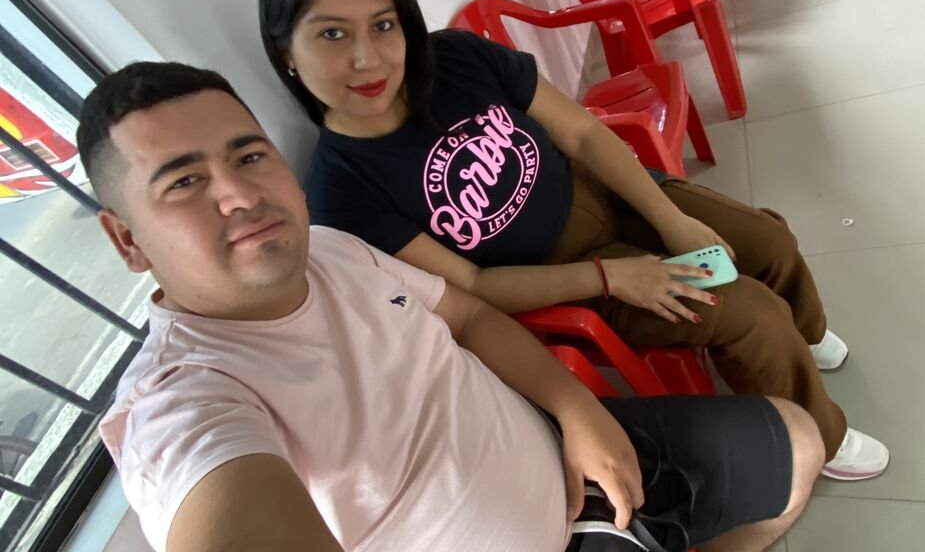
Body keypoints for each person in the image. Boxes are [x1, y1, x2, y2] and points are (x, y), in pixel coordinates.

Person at [83, 62, 822, 552]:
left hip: (569, 455)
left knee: (799, 445)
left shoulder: (332, 247)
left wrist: (577, 410)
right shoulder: (184, 400)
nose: (239, 194)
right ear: (126, 239)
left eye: (249, 156)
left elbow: (467, 316)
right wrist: (605, 278)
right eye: (184, 182)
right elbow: (232, 512)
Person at [258, 0, 889, 480]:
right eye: (332, 33)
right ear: (286, 51)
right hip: (561, 276)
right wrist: (611, 277)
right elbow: (472, 285)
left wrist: (672, 220)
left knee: (767, 240)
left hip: (604, 196)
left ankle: (805, 339)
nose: (367, 58)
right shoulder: (341, 191)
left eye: (383, 24)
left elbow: (583, 133)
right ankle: (821, 434)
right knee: (748, 312)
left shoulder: (455, 58)